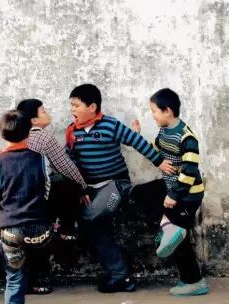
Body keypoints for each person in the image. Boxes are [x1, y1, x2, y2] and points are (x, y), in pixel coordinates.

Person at [65, 84, 174, 293]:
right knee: (97, 230)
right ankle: (121, 276)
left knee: (87, 218)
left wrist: (159, 162)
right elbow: (70, 163)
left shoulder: (110, 125)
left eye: (76, 105)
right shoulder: (72, 132)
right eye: (71, 105)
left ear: (92, 107)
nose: (72, 109)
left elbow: (136, 141)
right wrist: (80, 189)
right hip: (92, 190)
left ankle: (143, 196)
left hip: (115, 184)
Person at [131, 88, 208, 296]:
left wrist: (174, 196)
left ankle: (194, 282)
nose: (152, 115)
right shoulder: (164, 132)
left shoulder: (187, 138)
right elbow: (157, 153)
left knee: (179, 238)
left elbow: (190, 171)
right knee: (138, 193)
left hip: (188, 194)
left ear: (168, 111)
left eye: (154, 111)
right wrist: (137, 137)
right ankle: (165, 226)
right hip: (170, 186)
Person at [16, 98, 89, 293]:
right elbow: (64, 166)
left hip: (19, 197)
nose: (47, 114)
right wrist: (83, 187)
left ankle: (25, 282)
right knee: (41, 238)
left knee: (26, 240)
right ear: (33, 120)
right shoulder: (43, 137)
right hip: (41, 196)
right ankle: (66, 232)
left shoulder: (19, 137)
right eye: (43, 111)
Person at [0, 110, 52, 304]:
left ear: (2, 134)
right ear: (29, 133)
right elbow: (46, 191)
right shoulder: (42, 159)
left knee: (14, 279)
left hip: (13, 232)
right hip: (41, 232)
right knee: (35, 265)